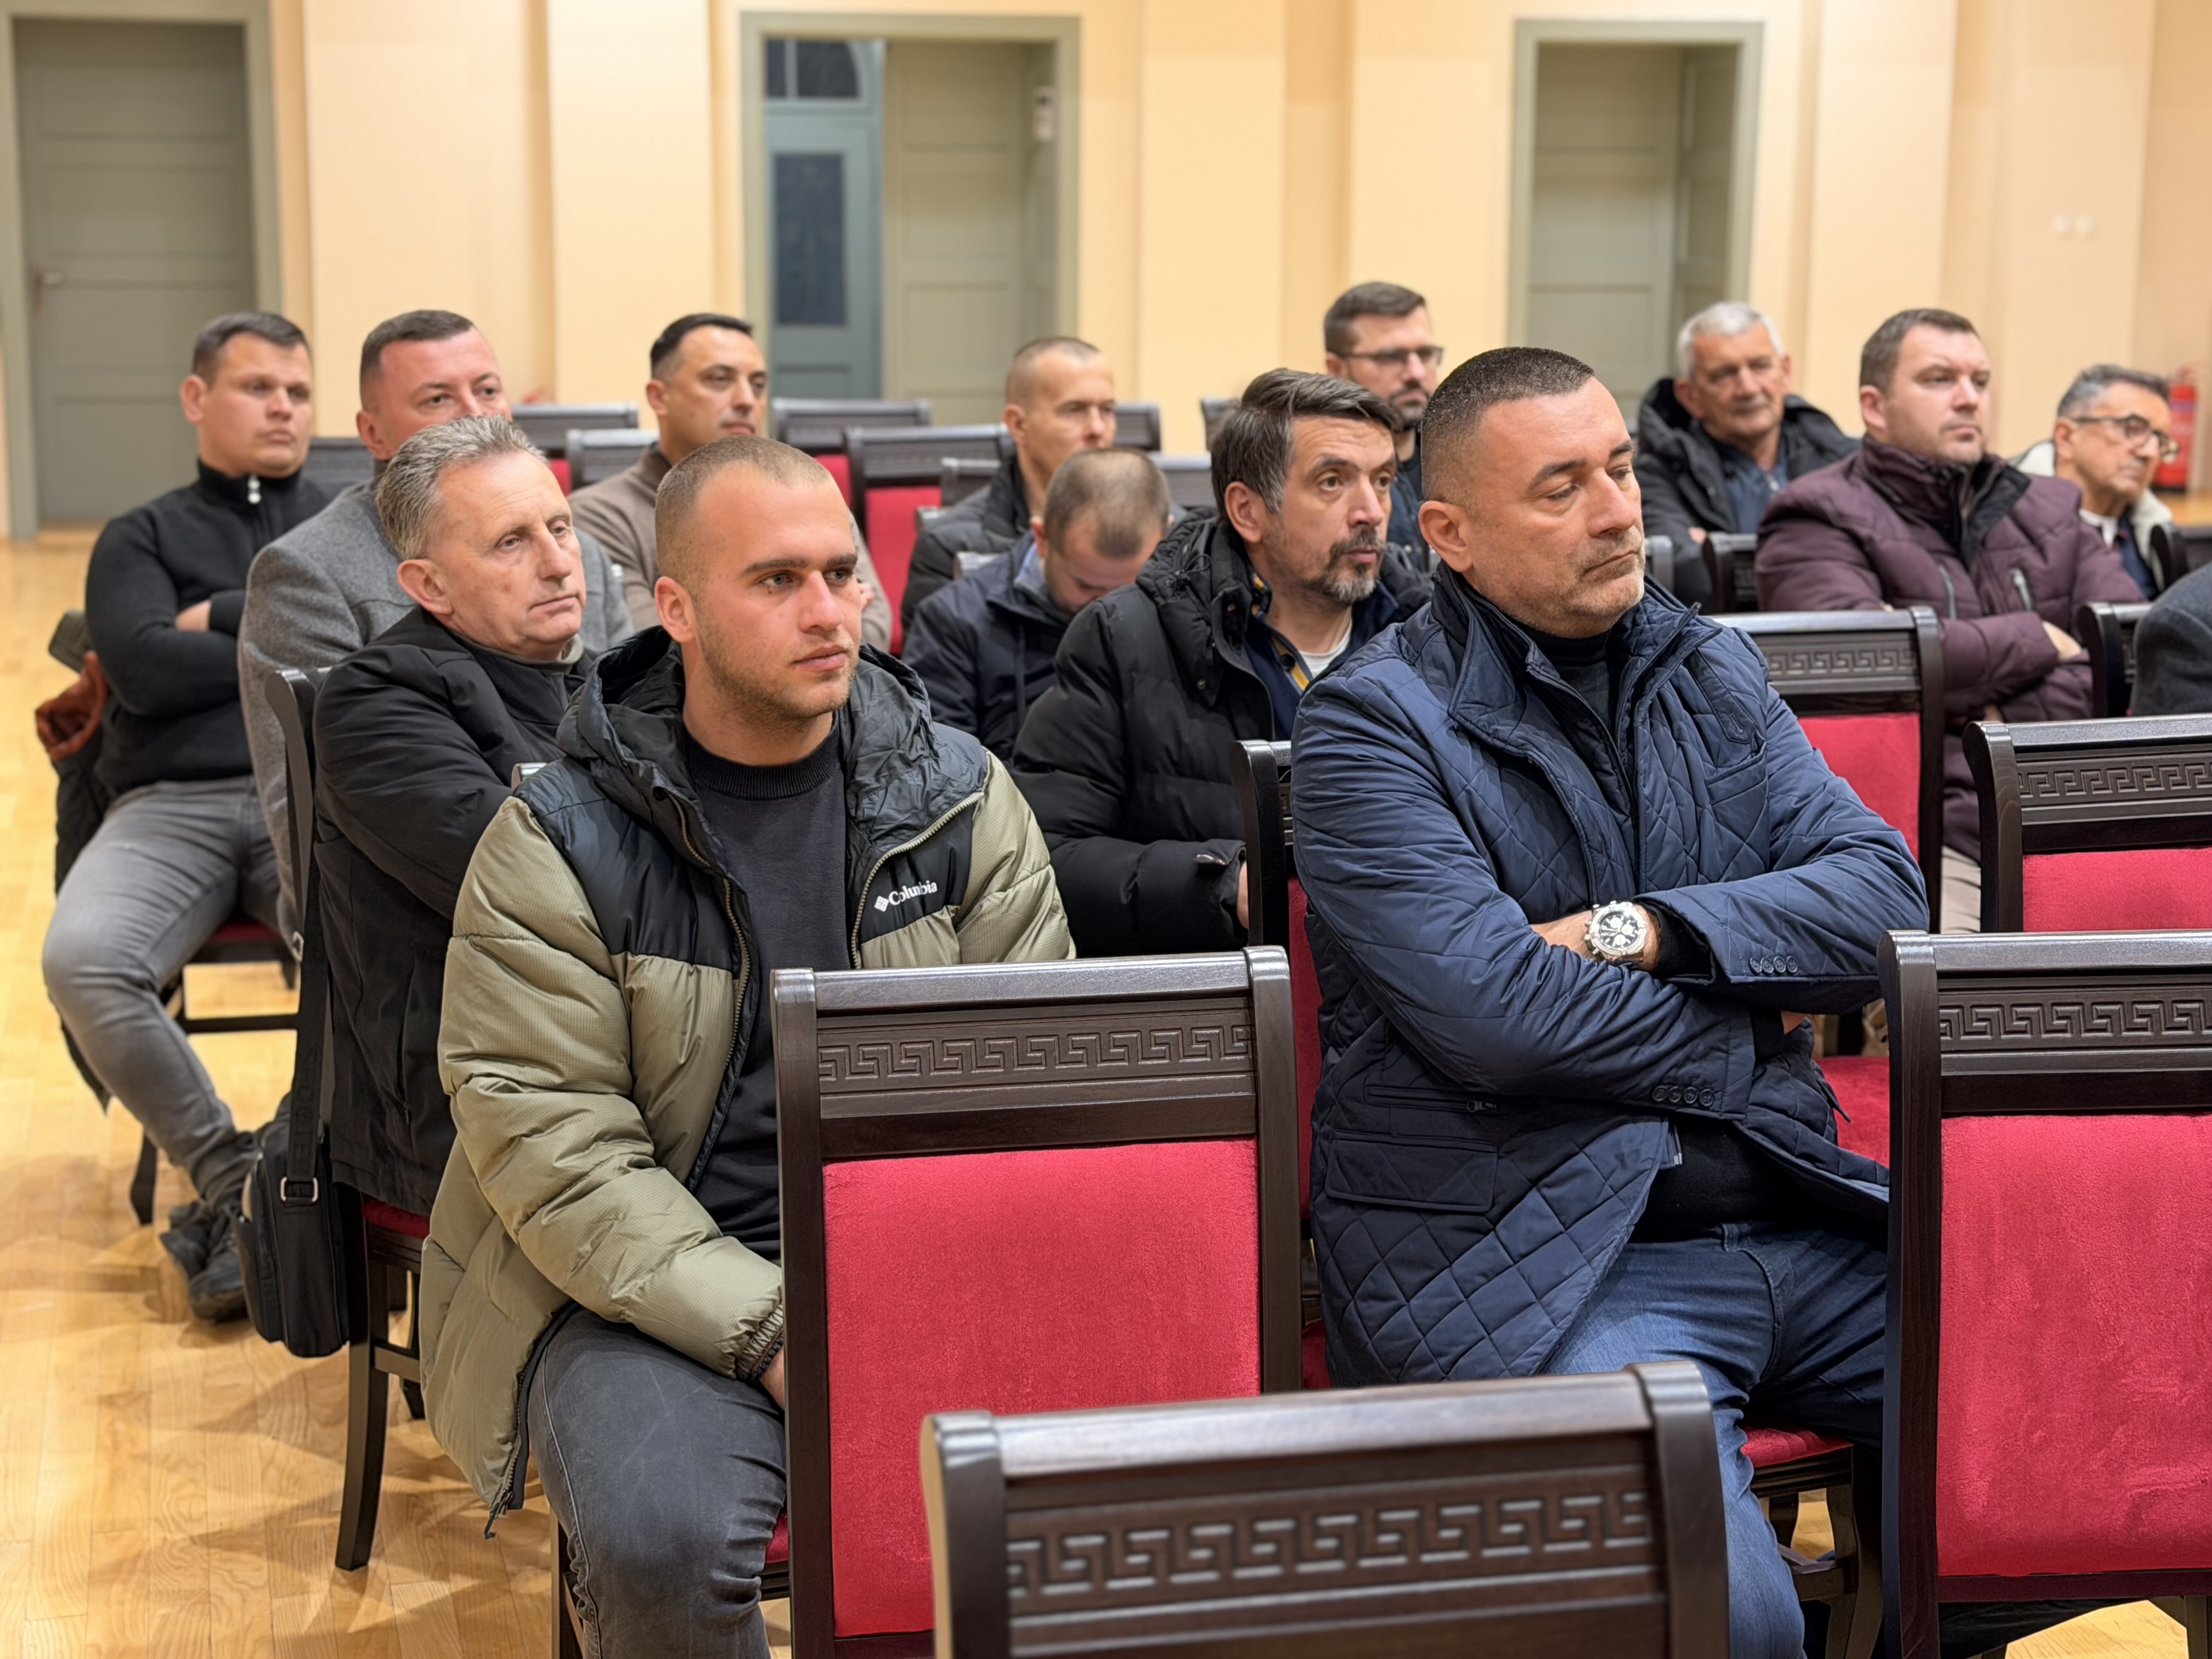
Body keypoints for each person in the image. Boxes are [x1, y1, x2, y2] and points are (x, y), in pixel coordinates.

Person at [1294, 345, 2089, 1659]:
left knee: (2083, 1440)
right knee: (1737, 1625)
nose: (1620, 511)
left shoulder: (1705, 667)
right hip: (1538, 1251)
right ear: (1452, 534)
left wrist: (1650, 930)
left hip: (1787, 1203)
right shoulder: (1371, 729)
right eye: (1562, 488)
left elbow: (1885, 899)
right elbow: (1496, 1017)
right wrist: (1752, 1013)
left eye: (1619, 468)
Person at [417, 436, 1072, 1656]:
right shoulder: (558, 836)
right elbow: (557, 1150)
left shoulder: (960, 796)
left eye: (842, 573)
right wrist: (773, 1327)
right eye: (777, 580)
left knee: (1130, 1463)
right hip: (643, 1288)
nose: (831, 612)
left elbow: (1032, 1072)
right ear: (674, 609)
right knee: (663, 1540)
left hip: (915, 1260)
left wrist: (932, 1293)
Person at [42, 312, 327, 1322]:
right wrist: (288, 633)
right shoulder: (142, 534)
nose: (283, 408)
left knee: (394, 951)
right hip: (173, 803)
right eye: (258, 388)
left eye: (298, 391)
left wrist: (216, 615)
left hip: (322, 790)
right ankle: (232, 1174)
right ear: (197, 398)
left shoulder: (346, 521)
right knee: (83, 958)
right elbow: (145, 670)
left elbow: (378, 656)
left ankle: (315, 1167)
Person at [1013, 369, 1429, 956]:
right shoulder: (1125, 638)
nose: (1370, 511)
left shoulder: (1431, 638)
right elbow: (1048, 861)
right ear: (1248, 511)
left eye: (1382, 481)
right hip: (1218, 985)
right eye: (1332, 482)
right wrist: (1224, 886)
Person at [238, 309, 633, 919]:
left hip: (593, 888)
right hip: (428, 905)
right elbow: (308, 820)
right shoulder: (308, 574)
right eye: (438, 399)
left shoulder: (579, 552)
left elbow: (631, 717)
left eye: (488, 390)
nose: (474, 414)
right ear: (373, 433)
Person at [1757, 308, 2140, 931]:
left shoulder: (2048, 508)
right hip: (1931, 835)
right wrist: (2041, 639)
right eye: (1939, 379)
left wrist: (1966, 688)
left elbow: (2128, 656)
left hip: (2081, 817)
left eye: (1980, 381)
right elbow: (1873, 677)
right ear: (1875, 407)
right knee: (1958, 987)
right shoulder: (1816, 515)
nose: (1968, 399)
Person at [309, 417, 594, 1217]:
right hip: (470, 1095)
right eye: (510, 542)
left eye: (560, 527)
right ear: (429, 586)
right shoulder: (377, 700)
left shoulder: (611, 681)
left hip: (607, 1056)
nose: (556, 562)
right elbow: (531, 889)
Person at [568, 309, 891, 644]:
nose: (747, 400)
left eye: (758, 385)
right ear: (660, 396)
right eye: (720, 380)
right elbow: (642, 647)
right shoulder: (600, 515)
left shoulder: (808, 497)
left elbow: (875, 629)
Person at [904, 447, 1170, 759]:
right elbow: (943, 769)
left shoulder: (1184, 611)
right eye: (1087, 586)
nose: (1110, 606)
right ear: (1042, 538)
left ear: (1166, 536)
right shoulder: (952, 622)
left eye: (1128, 588)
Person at [1635, 301, 1857, 606]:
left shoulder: (1841, 457)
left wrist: (1726, 557)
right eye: (1724, 375)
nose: (1748, 388)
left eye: (1760, 366)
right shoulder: (1658, 473)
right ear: (1690, 396)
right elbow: (1683, 579)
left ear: (1786, 372)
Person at [902, 335, 1116, 628]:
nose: (1098, 429)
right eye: (1074, 410)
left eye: (1107, 410)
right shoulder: (947, 547)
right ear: (1018, 425)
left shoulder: (1156, 531)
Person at [2015, 365, 2180, 599]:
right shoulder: (2001, 526)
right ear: (2066, 437)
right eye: (2133, 429)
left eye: (2160, 440)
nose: (2151, 453)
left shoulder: (2156, 533)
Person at [1321, 281, 1445, 552]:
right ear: (1337, 368)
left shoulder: (1464, 459)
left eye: (1425, 355)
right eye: (1391, 357)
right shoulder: (1315, 476)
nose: (1416, 373)